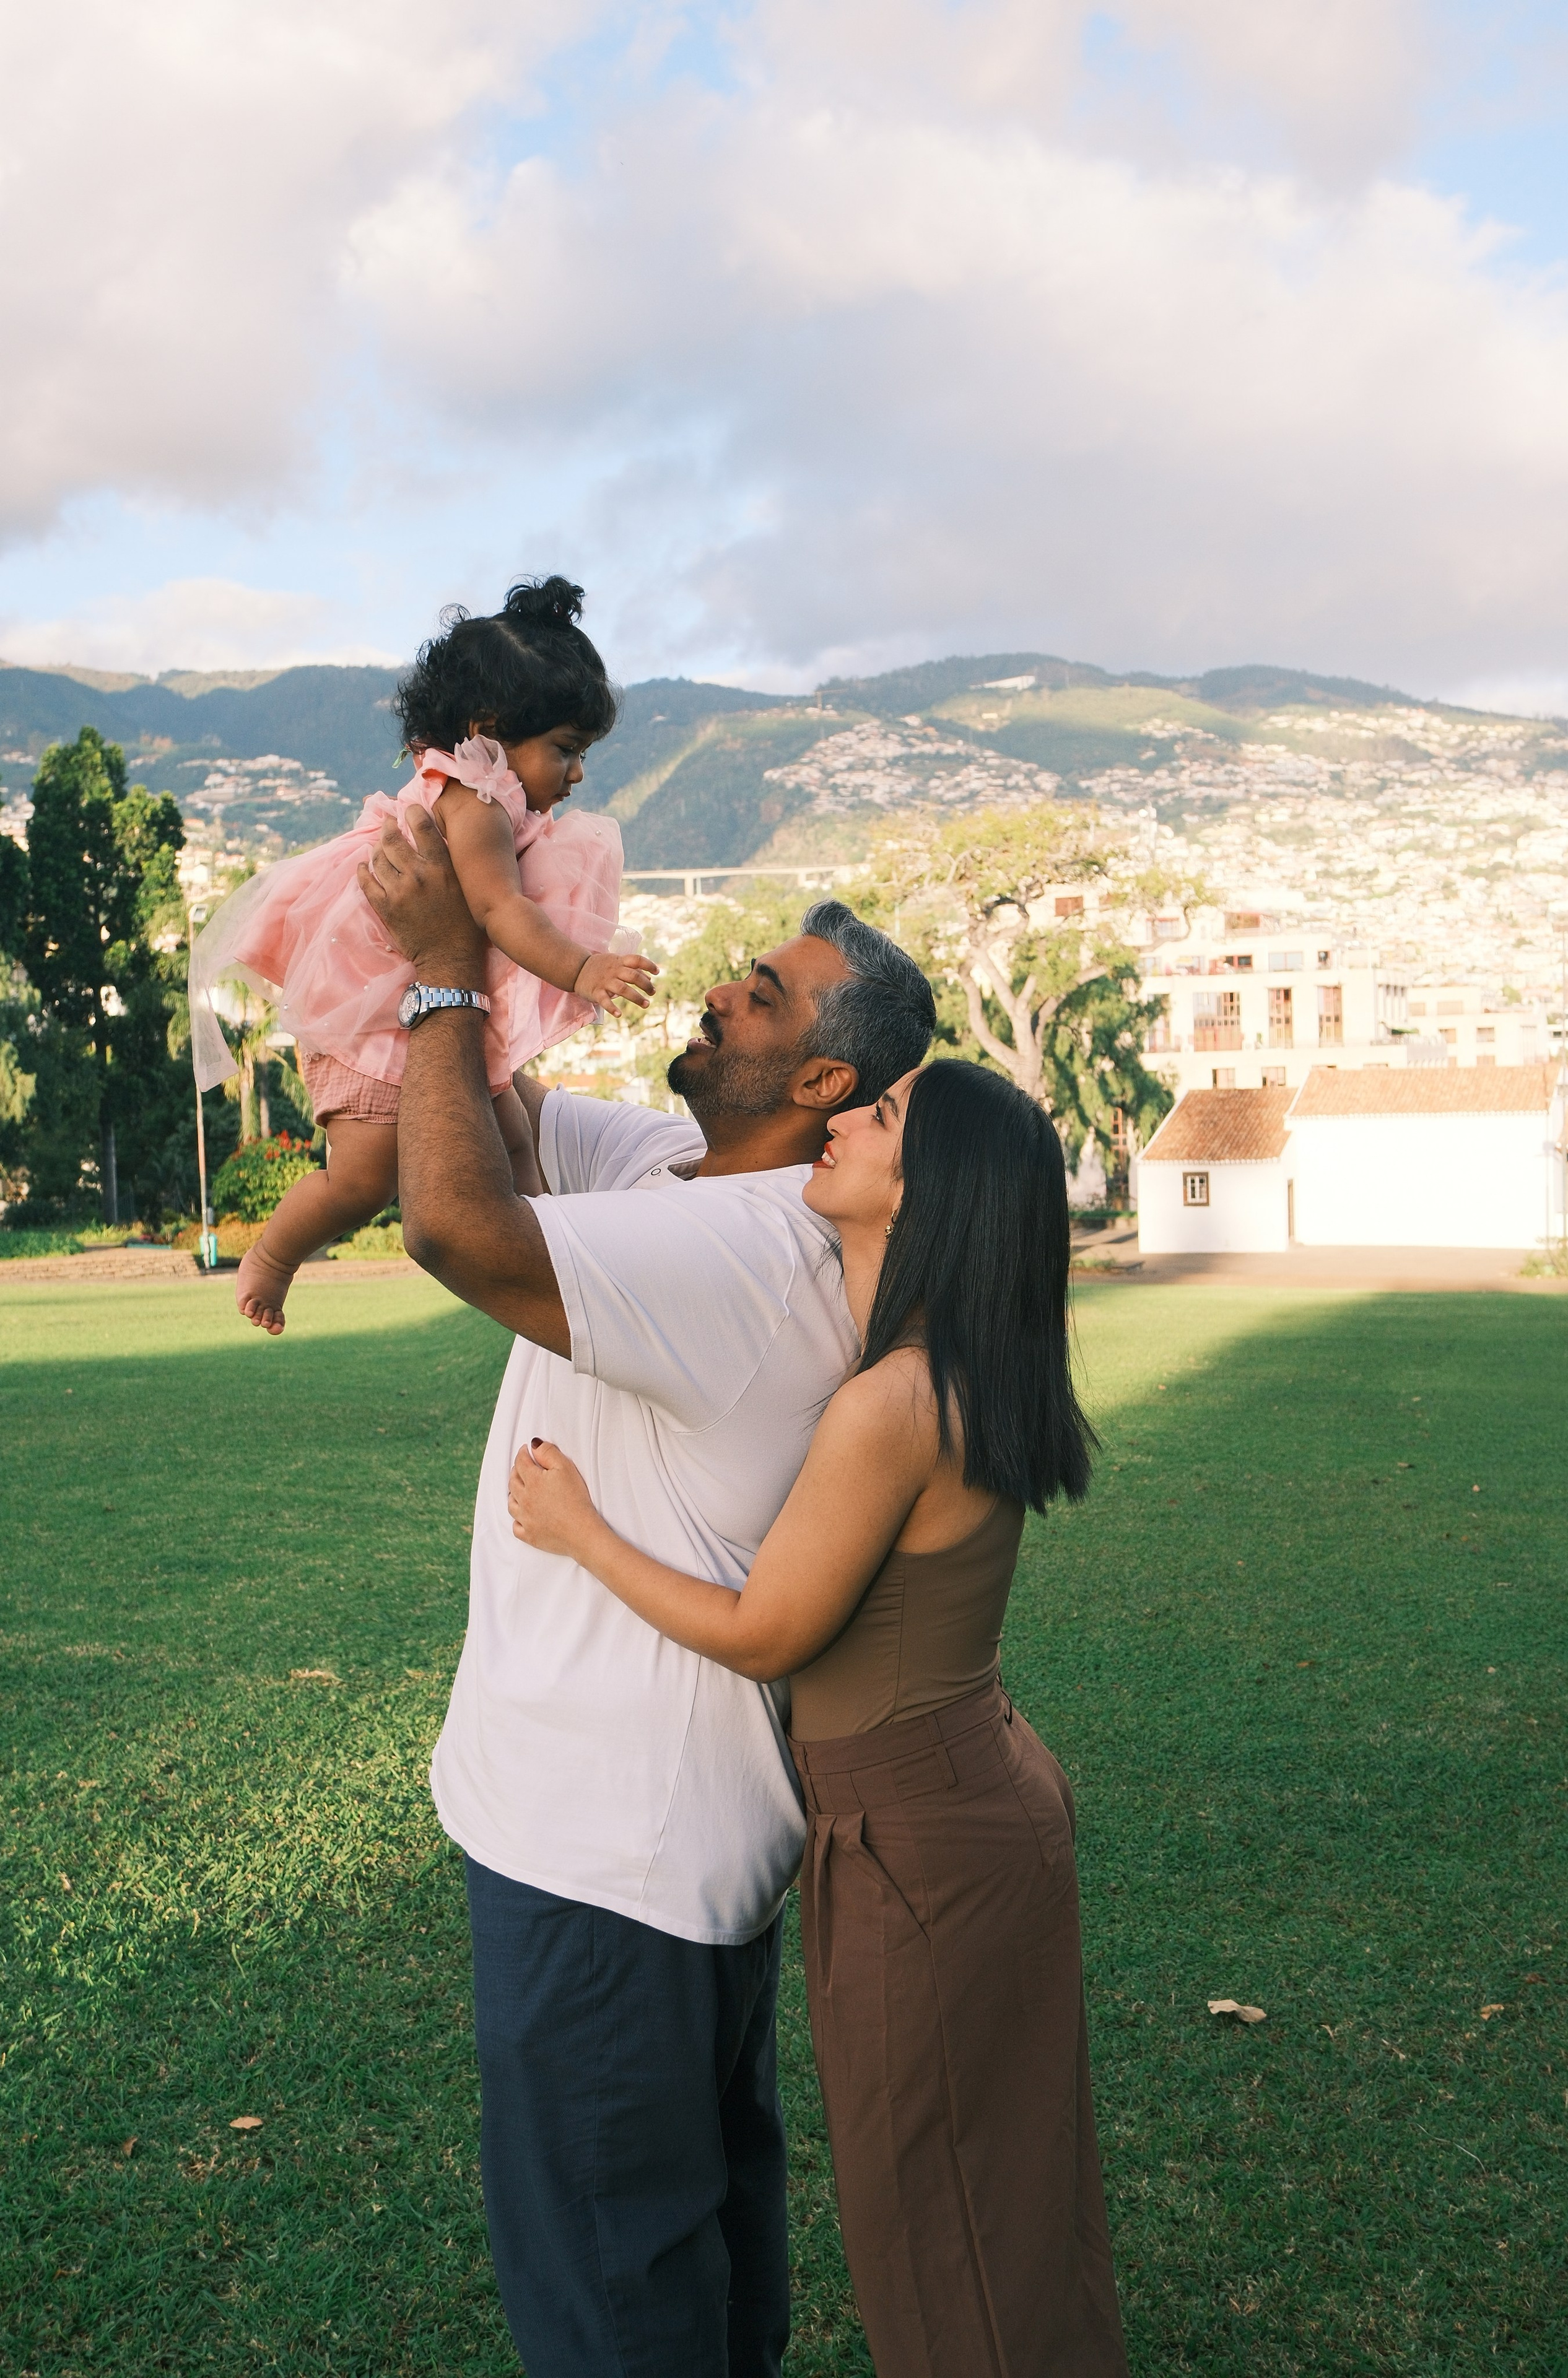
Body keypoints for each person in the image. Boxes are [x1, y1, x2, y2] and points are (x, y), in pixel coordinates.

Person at [355, 801, 936, 2378]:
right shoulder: (679, 1159)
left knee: (615, 2287)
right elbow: (489, 1109)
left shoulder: (746, 1246)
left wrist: (435, 973)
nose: (724, 989)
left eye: (764, 990)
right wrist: (482, 908)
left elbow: (454, 1223)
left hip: (606, 1856)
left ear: (821, 1081)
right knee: (692, 2252)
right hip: (644, 1846)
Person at [507, 1057, 1131, 2378]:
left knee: (936, 2221)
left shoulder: (887, 1404)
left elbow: (765, 1632)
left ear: (933, 1190)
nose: (837, 1121)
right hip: (958, 1800)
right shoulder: (942, 1363)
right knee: (1005, 2195)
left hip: (919, 1838)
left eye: (880, 1116)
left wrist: (579, 1532)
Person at [186, 577, 656, 1333]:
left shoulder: (478, 795)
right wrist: (582, 968)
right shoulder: (473, 806)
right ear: (488, 731)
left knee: (512, 1144)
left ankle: (549, 1268)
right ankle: (272, 1259)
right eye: (565, 751)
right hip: (373, 1023)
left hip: (425, 1014)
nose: (575, 775)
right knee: (361, 1179)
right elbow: (502, 910)